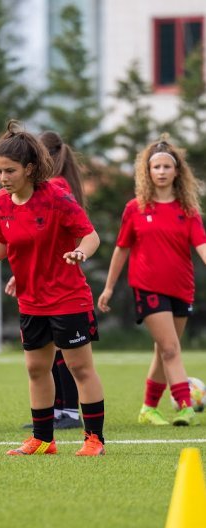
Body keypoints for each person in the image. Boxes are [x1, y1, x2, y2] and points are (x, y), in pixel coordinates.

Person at [0, 120, 106, 456]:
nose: (3, 177)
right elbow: (3, 243)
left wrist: (82, 251)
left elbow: (91, 234)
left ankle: (94, 439)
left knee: (80, 368)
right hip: (31, 301)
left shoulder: (56, 196)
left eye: (10, 171)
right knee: (36, 369)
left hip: (68, 299)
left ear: (29, 168)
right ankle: (43, 440)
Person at [98, 138, 206, 426]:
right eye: (155, 166)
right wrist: (108, 287)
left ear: (177, 171)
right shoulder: (135, 208)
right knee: (171, 348)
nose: (161, 171)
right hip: (147, 287)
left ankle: (148, 408)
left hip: (182, 289)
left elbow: (202, 246)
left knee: (164, 350)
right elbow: (121, 248)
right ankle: (184, 405)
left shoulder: (189, 210)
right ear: (147, 171)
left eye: (166, 166)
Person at [8, 131, 84, 431]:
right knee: (50, 356)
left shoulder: (56, 187)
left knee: (70, 357)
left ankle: (68, 411)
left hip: (59, 282)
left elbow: (64, 235)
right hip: (47, 279)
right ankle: (56, 412)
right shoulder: (50, 186)